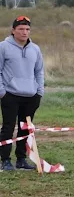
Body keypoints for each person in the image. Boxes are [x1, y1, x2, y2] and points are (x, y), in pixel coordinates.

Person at [0, 15, 44, 172]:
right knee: (8, 127)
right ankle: (5, 160)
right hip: (10, 95)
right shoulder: (3, 47)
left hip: (31, 96)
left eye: (27, 29)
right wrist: (2, 92)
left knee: (25, 128)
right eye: (21, 29)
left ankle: (21, 159)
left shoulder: (35, 49)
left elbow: (39, 71)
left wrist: (39, 92)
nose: (24, 32)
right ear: (13, 31)